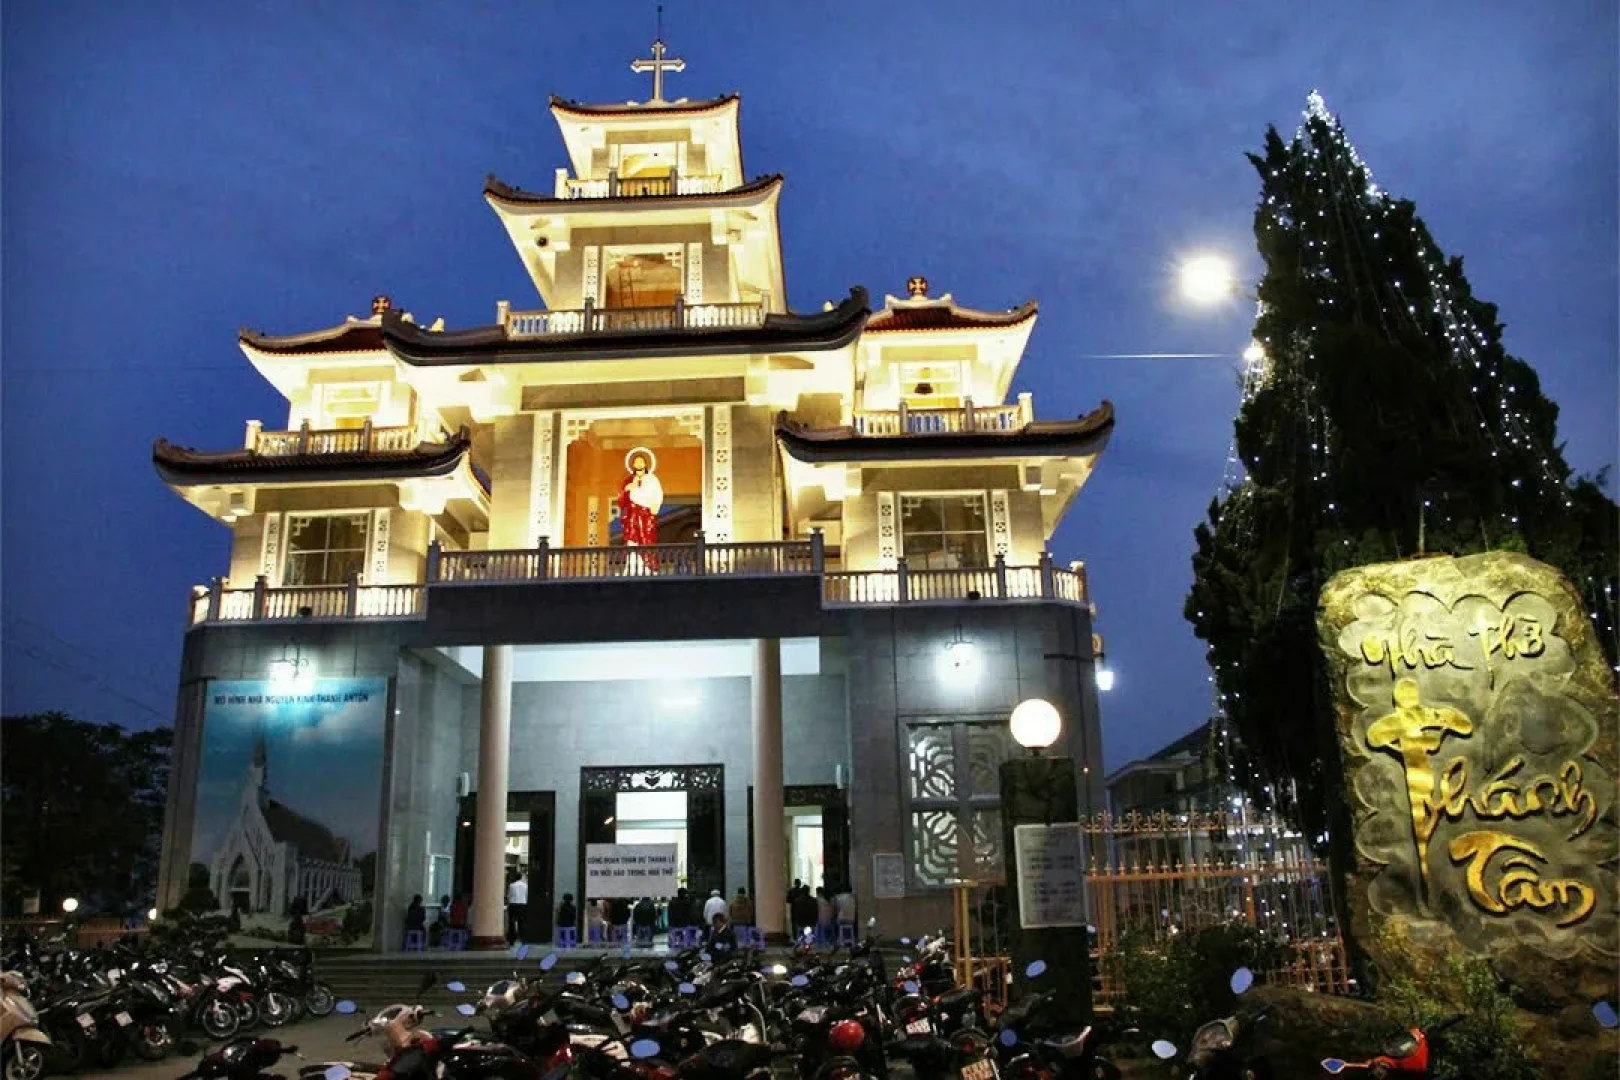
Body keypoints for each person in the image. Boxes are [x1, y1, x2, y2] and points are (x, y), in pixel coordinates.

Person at [617, 447, 664, 571]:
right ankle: (632, 567)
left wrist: (655, 506)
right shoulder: (628, 480)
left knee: (646, 538)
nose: (639, 464)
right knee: (632, 539)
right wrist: (627, 489)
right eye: (636, 462)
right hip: (632, 515)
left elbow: (657, 494)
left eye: (641, 462)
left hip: (646, 514)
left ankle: (648, 566)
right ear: (633, 465)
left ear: (645, 464)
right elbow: (621, 501)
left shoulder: (652, 479)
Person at [507, 873, 529, 943]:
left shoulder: (511, 885)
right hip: (522, 905)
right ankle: (523, 939)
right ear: (521, 877)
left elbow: (509, 896)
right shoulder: (525, 886)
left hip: (513, 904)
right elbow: (526, 896)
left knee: (512, 922)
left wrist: (509, 902)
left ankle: (511, 940)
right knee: (522, 922)